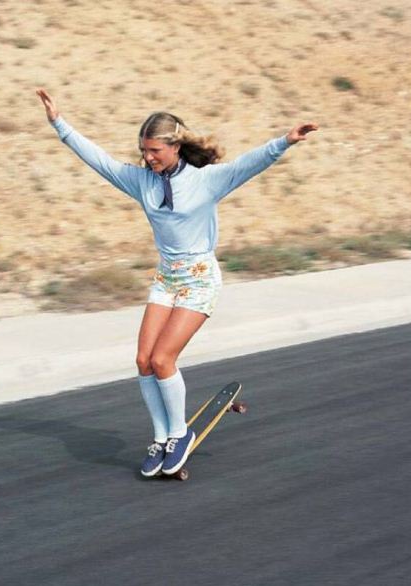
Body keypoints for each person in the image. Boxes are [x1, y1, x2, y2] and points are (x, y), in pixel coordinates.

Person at [36, 88, 318, 477]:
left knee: (163, 359)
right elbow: (98, 160)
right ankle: (161, 437)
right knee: (143, 360)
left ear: (175, 147)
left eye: (155, 150)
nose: (148, 157)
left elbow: (250, 164)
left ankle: (180, 434)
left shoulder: (206, 181)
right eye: (143, 151)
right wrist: (59, 124)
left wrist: (285, 141)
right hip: (166, 277)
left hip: (199, 278)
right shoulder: (141, 181)